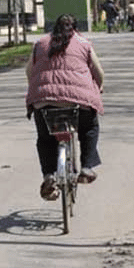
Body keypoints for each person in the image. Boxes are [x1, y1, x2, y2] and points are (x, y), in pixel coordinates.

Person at [25, 14, 105, 200]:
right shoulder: (83, 43)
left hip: (44, 103)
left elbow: (29, 72)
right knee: (89, 129)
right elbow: (98, 73)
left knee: (45, 139)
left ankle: (49, 176)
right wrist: (99, 87)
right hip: (79, 103)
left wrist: (38, 90)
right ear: (75, 28)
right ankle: (86, 167)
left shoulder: (40, 44)